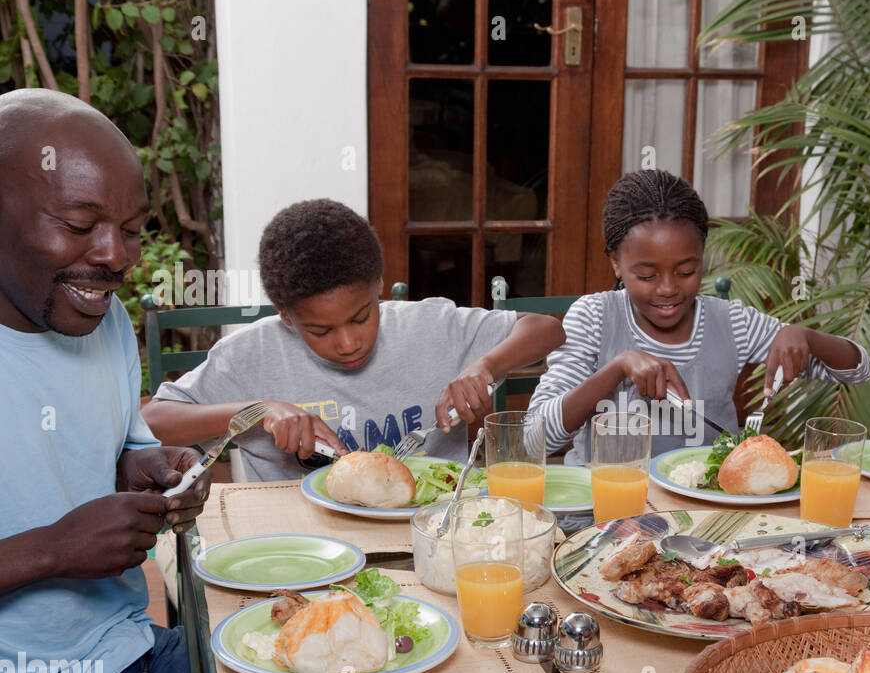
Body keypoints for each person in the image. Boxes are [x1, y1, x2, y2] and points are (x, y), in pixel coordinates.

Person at [0, 89, 214, 673]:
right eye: (82, 225)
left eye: (129, 230)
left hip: (132, 645)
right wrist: (53, 549)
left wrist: (152, 466)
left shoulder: (103, 317)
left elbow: (121, 447)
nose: (116, 258)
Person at [141, 198, 565, 480]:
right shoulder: (250, 356)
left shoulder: (430, 326)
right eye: (320, 331)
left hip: (428, 533)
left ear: (379, 285)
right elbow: (153, 422)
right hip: (305, 550)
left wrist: (483, 367)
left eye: (362, 317)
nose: (347, 343)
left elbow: (547, 328)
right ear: (285, 316)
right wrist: (258, 411)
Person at [527, 169, 870, 463]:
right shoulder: (595, 317)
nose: (667, 289)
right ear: (616, 263)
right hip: (604, 514)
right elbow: (535, 440)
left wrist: (807, 337)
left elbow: (860, 370)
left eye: (687, 271)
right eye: (646, 276)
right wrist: (617, 368)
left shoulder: (732, 323)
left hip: (707, 516)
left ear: (703, 256)